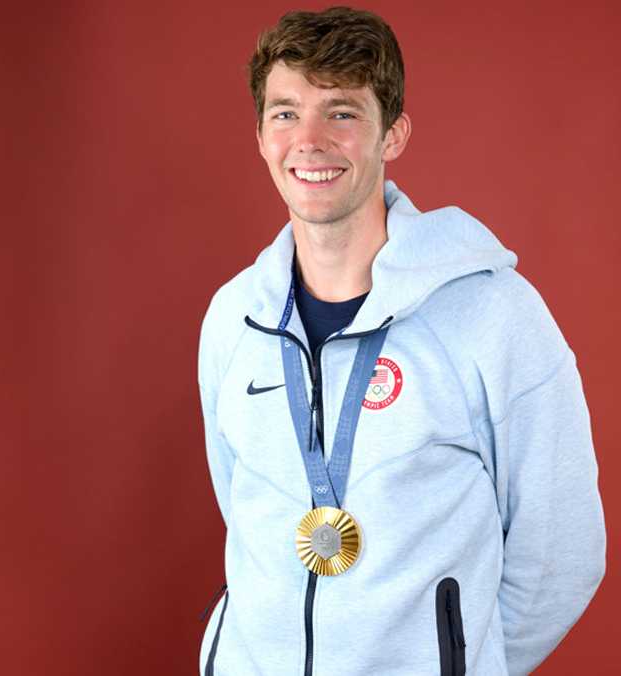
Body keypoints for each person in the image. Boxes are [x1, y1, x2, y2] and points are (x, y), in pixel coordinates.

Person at [197, 8, 604, 675]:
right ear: (261, 135)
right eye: (286, 113)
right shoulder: (233, 319)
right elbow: (240, 511)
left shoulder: (493, 317)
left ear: (394, 135)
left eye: (343, 113)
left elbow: (563, 553)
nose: (310, 140)